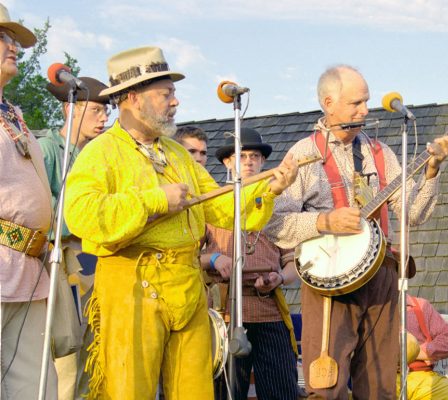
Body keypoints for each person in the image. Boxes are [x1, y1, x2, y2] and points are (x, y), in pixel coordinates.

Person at [63, 46, 297, 399]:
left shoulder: (176, 154)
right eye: (165, 94)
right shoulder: (100, 151)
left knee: (195, 390)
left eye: (173, 93)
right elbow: (81, 214)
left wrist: (269, 189)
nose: (175, 102)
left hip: (186, 287)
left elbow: (221, 207)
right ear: (132, 98)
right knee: (129, 390)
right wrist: (155, 200)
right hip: (130, 287)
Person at [265, 64, 448, 399]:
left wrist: (432, 172)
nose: (365, 110)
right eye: (356, 103)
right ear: (329, 103)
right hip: (329, 282)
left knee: (381, 385)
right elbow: (275, 223)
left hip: (381, 275)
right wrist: (325, 222)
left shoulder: (381, 153)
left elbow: (414, 213)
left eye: (366, 101)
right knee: (326, 385)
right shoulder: (304, 154)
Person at [205, 127, 300, 399]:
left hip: (269, 310)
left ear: (263, 162)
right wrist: (214, 258)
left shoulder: (276, 203)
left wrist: (279, 278)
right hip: (225, 311)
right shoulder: (213, 203)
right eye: (241, 155)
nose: (248, 161)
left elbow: (293, 263)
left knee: (282, 391)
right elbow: (190, 256)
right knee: (225, 393)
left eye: (255, 156)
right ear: (227, 162)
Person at [39, 76, 111, 400]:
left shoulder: (97, 156)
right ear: (71, 109)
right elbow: (40, 208)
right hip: (57, 259)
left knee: (90, 351)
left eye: (106, 111)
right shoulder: (47, 149)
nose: (104, 118)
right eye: (96, 110)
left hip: (93, 259)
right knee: (65, 356)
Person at [0, 3, 58, 398]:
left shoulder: (13, 114)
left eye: (14, 40)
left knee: (38, 388)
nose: (13, 47)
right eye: (2, 38)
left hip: (29, 269)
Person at [399, 295, 448, 400]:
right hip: (387, 377)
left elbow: (447, 343)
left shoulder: (421, 305)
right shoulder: (376, 307)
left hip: (422, 376)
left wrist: (414, 351)